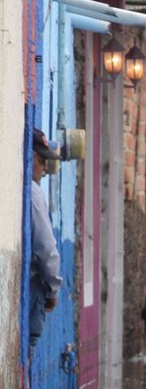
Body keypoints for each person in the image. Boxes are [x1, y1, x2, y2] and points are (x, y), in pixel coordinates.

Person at [29, 128, 63, 348]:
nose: (43, 170)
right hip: (33, 289)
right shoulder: (32, 191)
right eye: (41, 161)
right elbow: (46, 246)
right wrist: (53, 288)